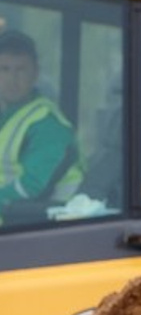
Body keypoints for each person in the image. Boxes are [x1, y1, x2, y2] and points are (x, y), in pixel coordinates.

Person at [0, 30, 82, 222]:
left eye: (21, 70)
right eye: (4, 69)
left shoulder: (47, 124)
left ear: (35, 74)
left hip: (40, 226)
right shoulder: (9, 115)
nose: (12, 79)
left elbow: (32, 187)